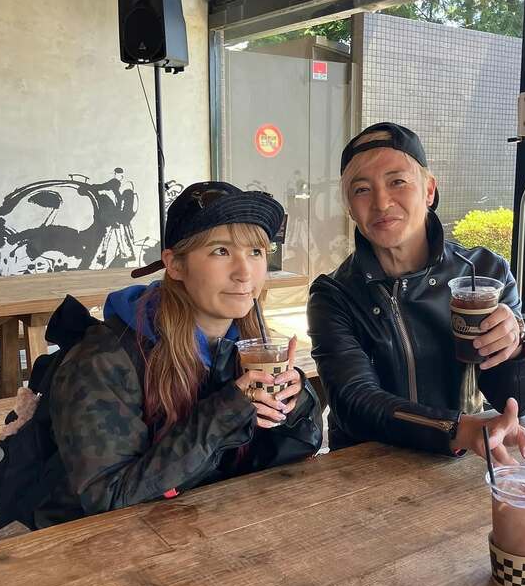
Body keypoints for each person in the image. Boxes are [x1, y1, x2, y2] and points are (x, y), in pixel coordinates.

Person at [39, 181, 322, 527]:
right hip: (96, 544)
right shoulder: (105, 358)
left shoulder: (245, 343)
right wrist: (226, 411)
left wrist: (293, 405)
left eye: (256, 252)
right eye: (221, 251)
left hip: (208, 524)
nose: (245, 272)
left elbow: (283, 458)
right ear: (175, 265)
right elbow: (108, 500)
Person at [307, 123, 525, 465]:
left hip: (461, 463)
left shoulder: (484, 273)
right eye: (362, 189)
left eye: (397, 182)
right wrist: (456, 428)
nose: (381, 202)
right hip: (365, 470)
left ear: (429, 190)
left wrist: (517, 343)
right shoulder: (334, 295)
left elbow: (518, 400)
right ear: (349, 208)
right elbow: (354, 400)